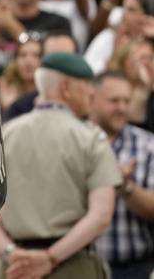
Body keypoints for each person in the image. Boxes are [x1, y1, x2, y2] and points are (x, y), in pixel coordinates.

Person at [0, 52, 121, 279]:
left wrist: (10, 251)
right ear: (65, 87)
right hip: (72, 265)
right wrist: (51, 258)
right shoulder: (91, 138)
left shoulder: (3, 136)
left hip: (17, 267)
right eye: (86, 85)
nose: (91, 93)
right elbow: (101, 214)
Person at [91, 72, 154, 278]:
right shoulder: (74, 140)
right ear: (93, 99)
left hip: (137, 268)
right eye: (114, 101)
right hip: (84, 267)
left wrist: (126, 187)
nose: (122, 108)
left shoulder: (147, 145)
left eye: (127, 101)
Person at [84, 0, 154, 76]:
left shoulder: (149, 48)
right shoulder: (108, 37)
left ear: (147, 17)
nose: (123, 15)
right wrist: (115, 55)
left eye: (131, 10)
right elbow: (86, 71)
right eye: (123, 8)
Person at [0, 36, 42, 113]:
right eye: (23, 55)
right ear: (15, 60)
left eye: (35, 55)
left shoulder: (50, 90)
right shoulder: (6, 85)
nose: (29, 61)